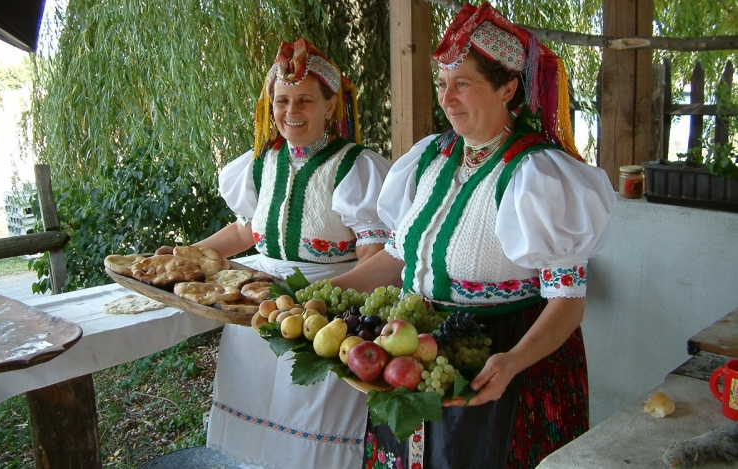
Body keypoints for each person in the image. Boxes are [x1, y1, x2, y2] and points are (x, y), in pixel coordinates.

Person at [331, 3, 616, 468]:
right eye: (443, 84)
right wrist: (312, 296)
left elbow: (568, 300)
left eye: (463, 83)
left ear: (507, 87)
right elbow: (397, 258)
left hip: (500, 364)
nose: (447, 98)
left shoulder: (539, 175)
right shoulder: (430, 160)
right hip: (411, 350)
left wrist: (514, 362)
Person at [159, 39, 391, 468]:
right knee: (251, 424)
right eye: (281, 100)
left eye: (304, 99)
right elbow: (245, 230)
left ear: (331, 105)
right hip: (256, 303)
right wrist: (184, 255)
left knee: (312, 425)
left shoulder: (356, 167)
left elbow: (374, 257)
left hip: (322, 306)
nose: (290, 111)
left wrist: (333, 310)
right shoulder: (261, 162)